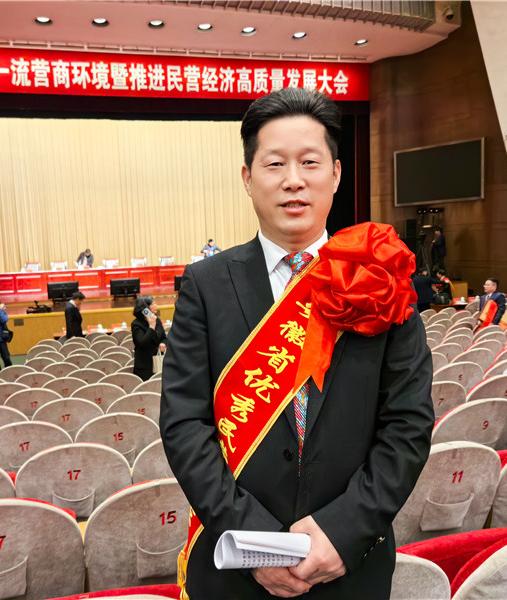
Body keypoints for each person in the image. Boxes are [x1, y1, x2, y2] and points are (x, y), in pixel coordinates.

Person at [160, 88, 433, 599]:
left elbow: (408, 423)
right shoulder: (206, 285)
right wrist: (256, 543)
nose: (293, 180)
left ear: (336, 173)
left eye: (309, 162)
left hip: (351, 563)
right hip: (235, 568)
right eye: (274, 164)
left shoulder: (382, 278)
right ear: (247, 177)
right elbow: (184, 424)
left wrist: (345, 530)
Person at [131, 295, 167, 381]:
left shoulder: (157, 320)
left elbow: (164, 338)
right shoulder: (136, 324)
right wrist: (151, 326)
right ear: (145, 308)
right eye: (153, 304)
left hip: (158, 361)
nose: (156, 305)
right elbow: (142, 343)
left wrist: (163, 343)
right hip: (145, 367)